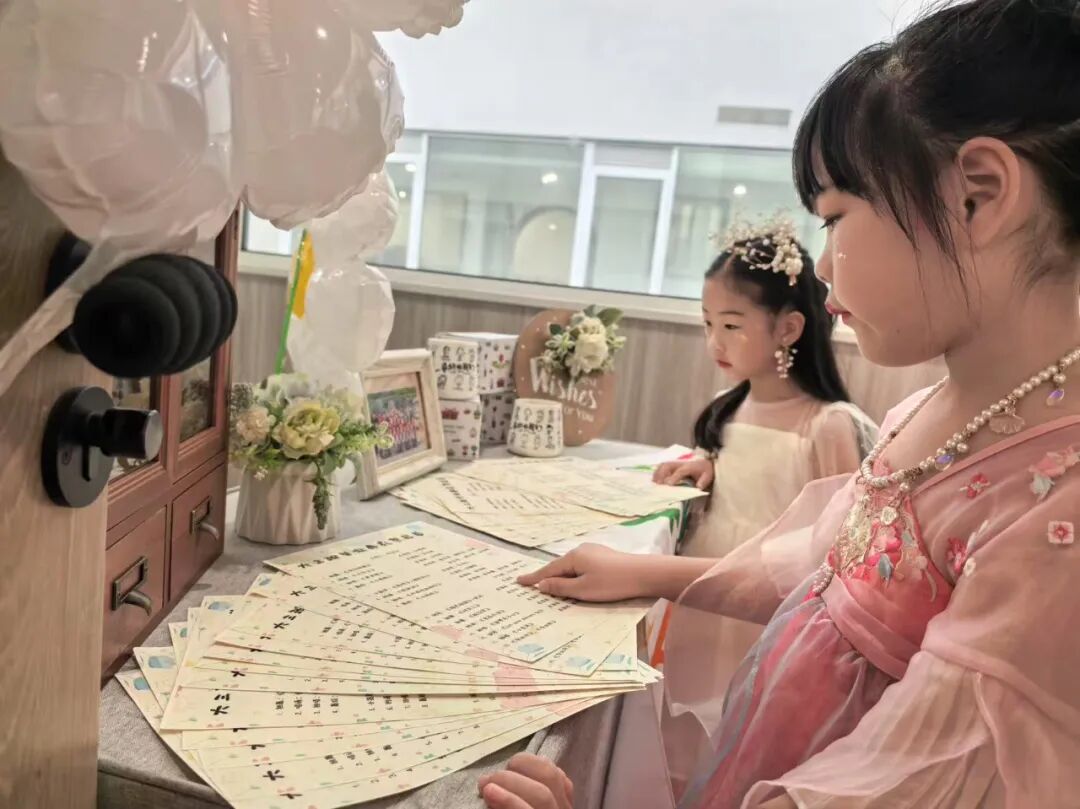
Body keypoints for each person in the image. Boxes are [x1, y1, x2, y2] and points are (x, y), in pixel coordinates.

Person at [478, 0, 1080, 806]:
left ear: (978, 195)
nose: (823, 264)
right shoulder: (927, 412)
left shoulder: (1058, 508)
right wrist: (643, 571)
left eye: (835, 217)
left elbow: (899, 779)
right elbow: (826, 574)